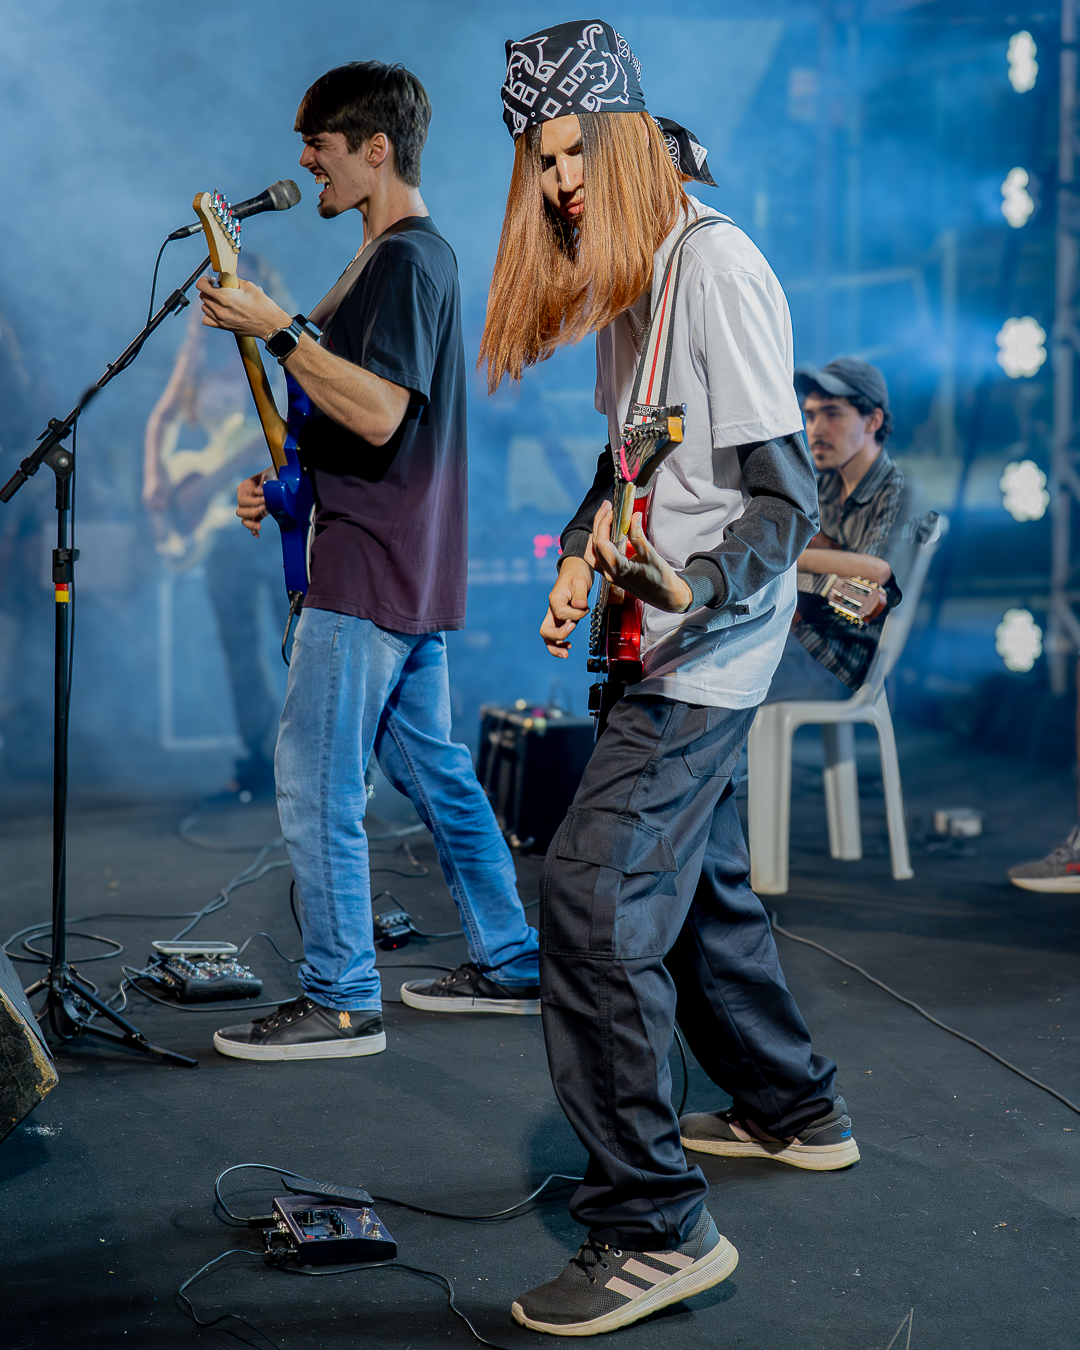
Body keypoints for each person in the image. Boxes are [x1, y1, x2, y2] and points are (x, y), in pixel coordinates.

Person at [481, 20, 856, 1337]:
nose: (560, 182)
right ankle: (794, 1106)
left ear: (630, 138)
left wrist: (692, 590)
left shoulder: (719, 266)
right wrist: (583, 554)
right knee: (696, 894)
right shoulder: (635, 277)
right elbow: (630, 463)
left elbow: (783, 499)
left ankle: (653, 1227)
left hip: (704, 654)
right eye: (542, 162)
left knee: (592, 901)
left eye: (576, 151)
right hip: (659, 639)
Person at [195, 61, 540, 1063]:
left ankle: (342, 997)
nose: (307, 162)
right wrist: (288, 490)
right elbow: (363, 427)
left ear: (375, 148)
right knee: (434, 772)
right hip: (396, 559)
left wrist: (279, 327)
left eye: (321, 144)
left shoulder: (406, 261)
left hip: (368, 569)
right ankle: (512, 960)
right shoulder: (387, 261)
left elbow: (383, 412)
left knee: (314, 781)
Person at [143, 266, 291, 798]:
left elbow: (288, 422)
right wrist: (155, 478)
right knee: (239, 647)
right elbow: (160, 418)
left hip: (272, 509)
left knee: (293, 637)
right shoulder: (199, 358)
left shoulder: (273, 343)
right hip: (221, 529)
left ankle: (309, 753)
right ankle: (257, 753)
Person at [763, 357, 905, 704]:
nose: (816, 429)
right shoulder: (816, 487)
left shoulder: (899, 492)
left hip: (837, 662)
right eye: (810, 416)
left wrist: (780, 558)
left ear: (873, 420)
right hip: (794, 637)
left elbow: (875, 583)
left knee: (719, 680)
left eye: (832, 414)